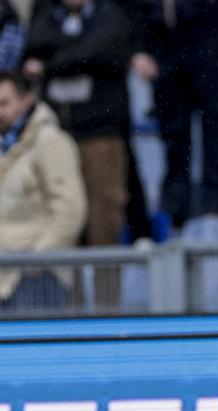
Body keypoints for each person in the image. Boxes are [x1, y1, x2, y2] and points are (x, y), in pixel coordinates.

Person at [24, 0, 130, 247]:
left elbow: (98, 50)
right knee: (64, 224)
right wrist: (76, 48)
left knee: (103, 221)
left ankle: (107, 288)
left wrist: (51, 64)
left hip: (100, 132)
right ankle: (71, 288)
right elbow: (35, 43)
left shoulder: (110, 12)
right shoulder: (46, 13)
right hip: (56, 134)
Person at [129, 0, 218, 228]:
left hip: (211, 29)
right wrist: (137, 46)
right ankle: (175, 212)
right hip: (161, 36)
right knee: (173, 131)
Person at [0, 70, 86, 308]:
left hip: (37, 277)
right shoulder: (5, 144)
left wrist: (40, 259)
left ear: (26, 100)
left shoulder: (51, 141)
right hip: (4, 276)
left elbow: (71, 209)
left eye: (4, 103)